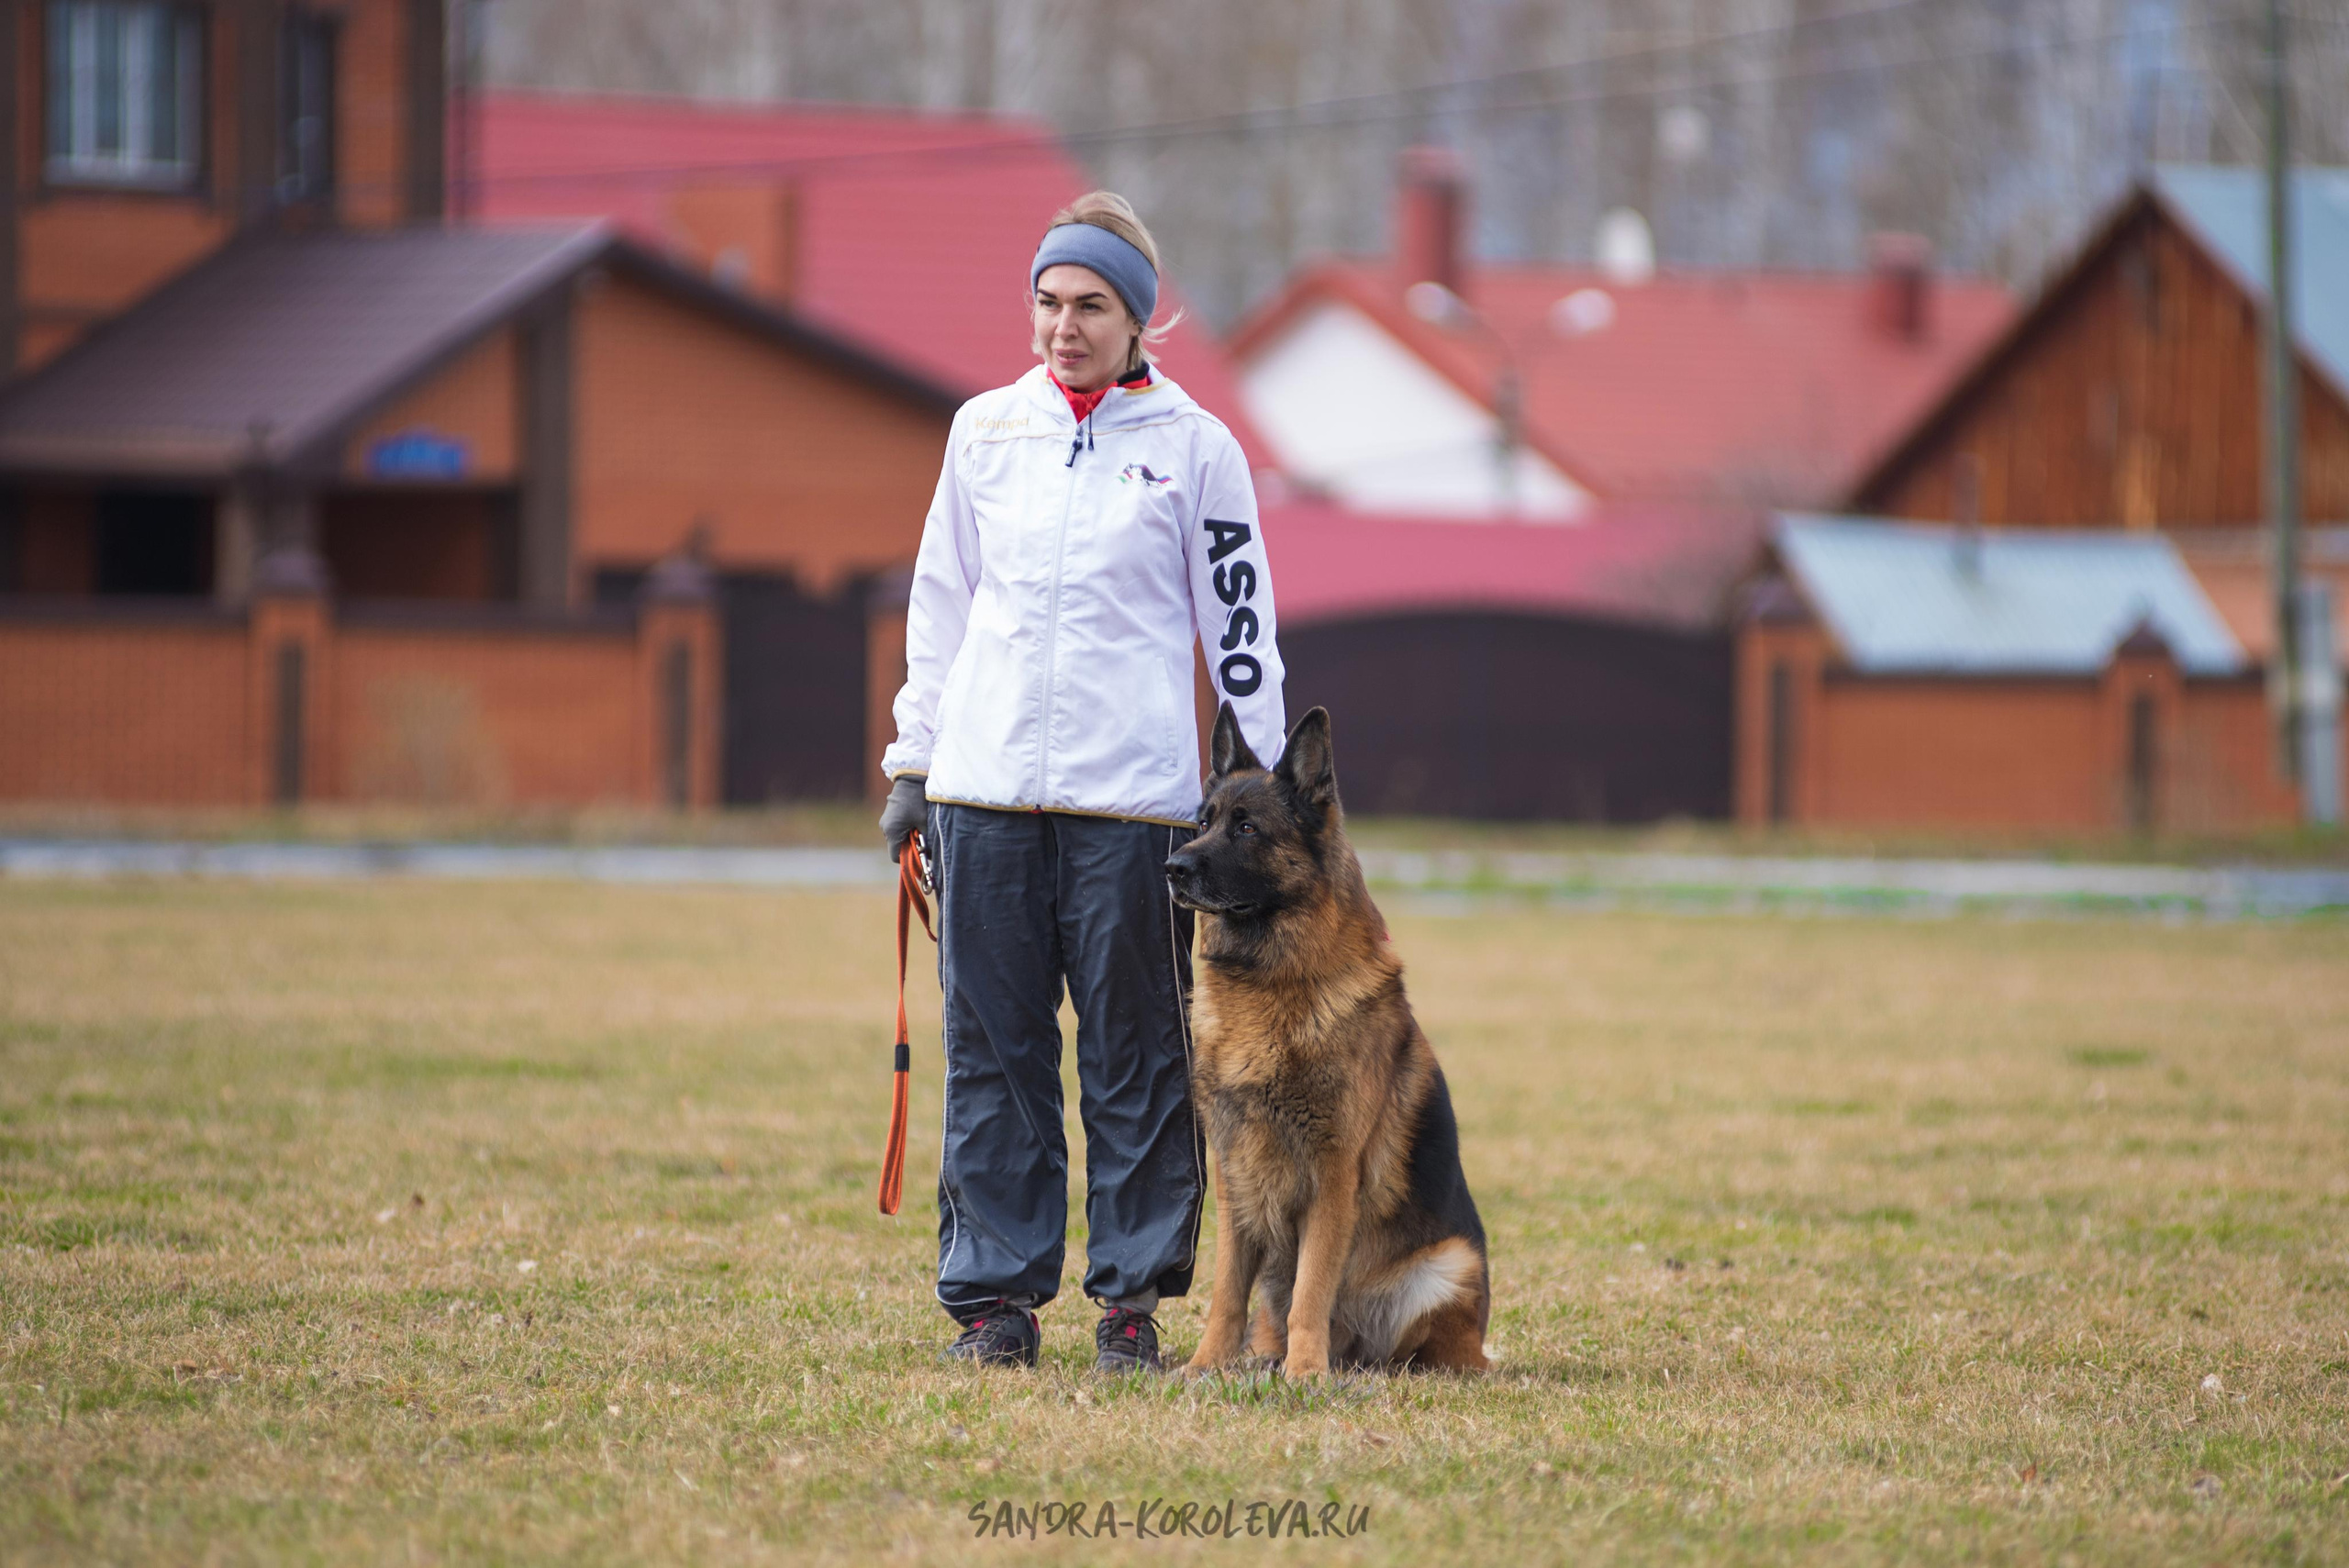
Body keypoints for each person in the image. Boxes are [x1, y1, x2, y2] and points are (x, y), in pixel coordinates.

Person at [877, 192, 1286, 1373]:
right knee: (996, 1053)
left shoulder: (1197, 449)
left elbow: (1241, 624)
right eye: (1049, 302)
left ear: (1136, 319)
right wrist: (915, 763)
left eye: (1091, 306)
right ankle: (996, 1305)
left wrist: (1260, 781)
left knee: (1137, 1054)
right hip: (987, 797)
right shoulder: (981, 434)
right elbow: (939, 610)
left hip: (1134, 809)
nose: (1065, 326)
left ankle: (1131, 1305)